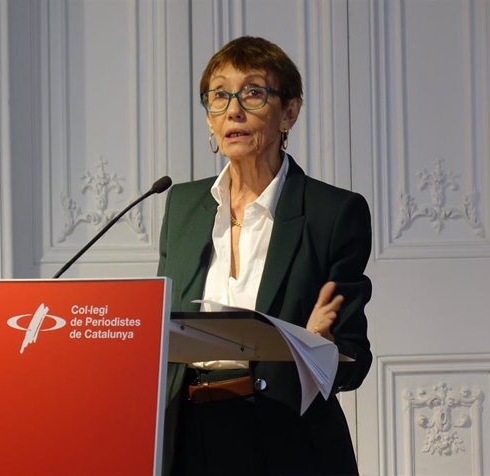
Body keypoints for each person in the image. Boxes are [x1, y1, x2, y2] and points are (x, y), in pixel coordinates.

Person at [157, 36, 372, 476]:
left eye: (253, 92)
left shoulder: (332, 213)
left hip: (286, 442)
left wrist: (318, 351)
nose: (232, 109)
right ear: (210, 119)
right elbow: (162, 328)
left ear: (289, 112)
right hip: (188, 436)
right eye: (219, 95)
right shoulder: (182, 205)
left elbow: (354, 357)